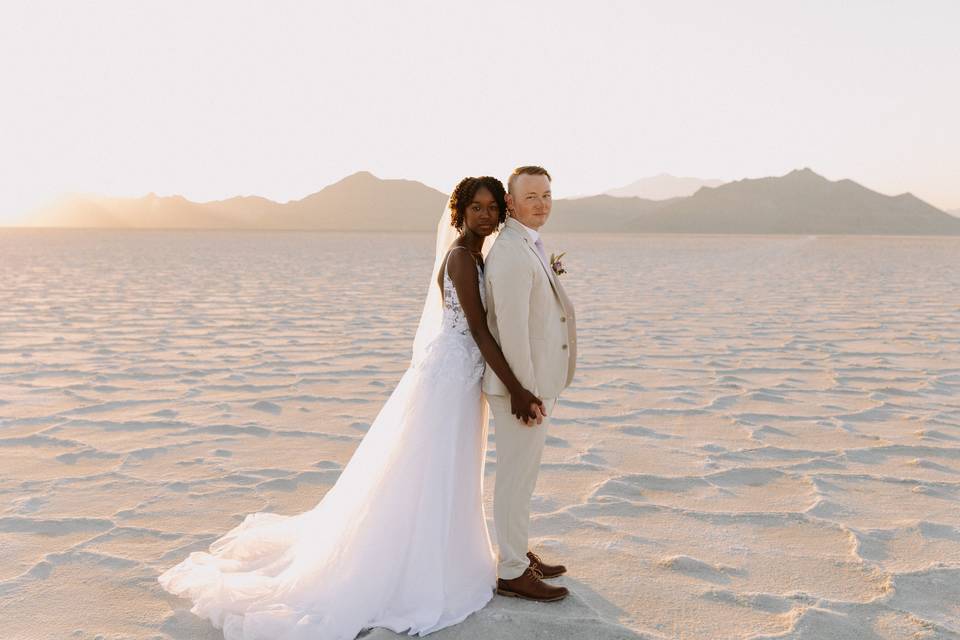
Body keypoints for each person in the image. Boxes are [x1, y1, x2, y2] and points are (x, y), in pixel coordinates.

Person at [156, 175, 552, 640]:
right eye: (476, 208)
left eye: (492, 208)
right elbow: (481, 333)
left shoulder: (480, 254)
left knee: (450, 470)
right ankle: (411, 566)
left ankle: (457, 553)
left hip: (463, 376)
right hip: (449, 378)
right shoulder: (463, 259)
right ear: (460, 213)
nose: (486, 216)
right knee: (428, 471)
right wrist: (520, 390)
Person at [482, 165, 578, 602]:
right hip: (522, 391)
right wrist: (524, 393)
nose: (541, 204)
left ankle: (518, 551)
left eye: (546, 195)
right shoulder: (510, 253)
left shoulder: (529, 244)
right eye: (531, 197)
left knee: (524, 478)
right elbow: (513, 331)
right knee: (515, 479)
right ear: (512, 203)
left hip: (535, 385)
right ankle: (513, 572)